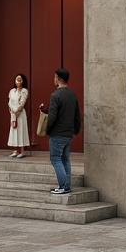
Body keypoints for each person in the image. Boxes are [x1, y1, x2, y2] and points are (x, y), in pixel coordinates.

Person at [41, 67, 81, 195]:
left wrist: (47, 131)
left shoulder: (55, 95)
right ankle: (66, 186)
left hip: (57, 134)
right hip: (68, 134)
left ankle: (63, 186)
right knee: (65, 159)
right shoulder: (72, 94)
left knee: (56, 159)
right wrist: (76, 130)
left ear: (58, 79)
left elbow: (52, 117)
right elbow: (77, 115)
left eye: (54, 77)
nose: (53, 79)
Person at [7, 73, 30, 157]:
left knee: (21, 130)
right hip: (13, 113)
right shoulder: (12, 91)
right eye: (17, 79)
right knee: (14, 130)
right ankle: (15, 150)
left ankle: (22, 151)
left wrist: (18, 110)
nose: (18, 81)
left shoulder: (24, 91)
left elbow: (23, 101)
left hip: (20, 113)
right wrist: (12, 110)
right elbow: (9, 102)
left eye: (20, 79)